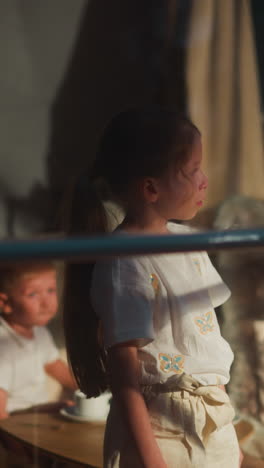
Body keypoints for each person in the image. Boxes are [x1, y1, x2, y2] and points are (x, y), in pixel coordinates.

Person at [63, 109, 241, 467]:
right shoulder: (124, 262)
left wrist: (228, 436)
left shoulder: (188, 243)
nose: (204, 180)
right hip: (160, 433)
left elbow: (202, 345)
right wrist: (152, 460)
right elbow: (125, 377)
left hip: (212, 421)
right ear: (150, 188)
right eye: (192, 171)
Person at [0, 261, 77, 419]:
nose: (47, 303)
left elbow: (55, 367)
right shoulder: (4, 346)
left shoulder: (40, 332)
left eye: (50, 290)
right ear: (5, 303)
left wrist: (96, 391)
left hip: (39, 418)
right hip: (15, 425)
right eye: (32, 294)